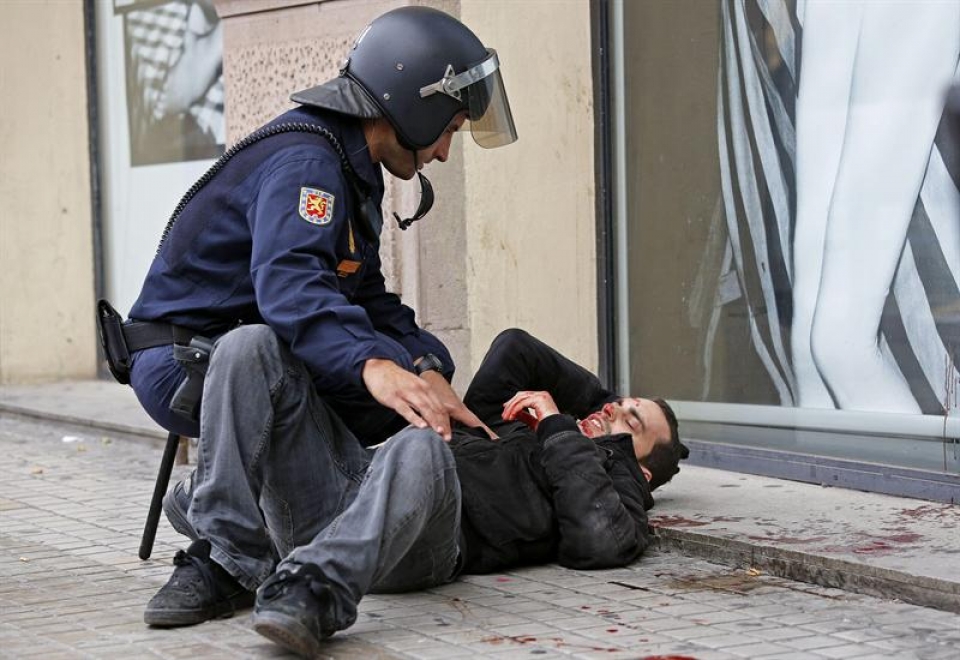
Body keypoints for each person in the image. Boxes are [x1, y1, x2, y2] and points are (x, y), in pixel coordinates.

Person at [143, 328, 688, 658]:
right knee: (251, 345)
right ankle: (232, 550)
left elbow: (599, 541)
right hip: (352, 488)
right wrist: (600, 406)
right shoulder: (515, 424)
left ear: (644, 472)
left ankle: (313, 590)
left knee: (423, 444)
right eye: (621, 403)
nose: (614, 411)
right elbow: (516, 348)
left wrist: (559, 426)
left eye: (632, 423)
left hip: (428, 542)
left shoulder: (618, 484)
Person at [118, 6, 518, 452]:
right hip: (184, 362)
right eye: (449, 130)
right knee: (380, 380)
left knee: (413, 378)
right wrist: (372, 364)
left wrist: (426, 366)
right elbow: (291, 287)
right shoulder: (308, 165)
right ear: (415, 107)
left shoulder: (348, 163)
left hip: (226, 345)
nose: (443, 153)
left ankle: (309, 489)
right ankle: (236, 493)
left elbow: (366, 296)